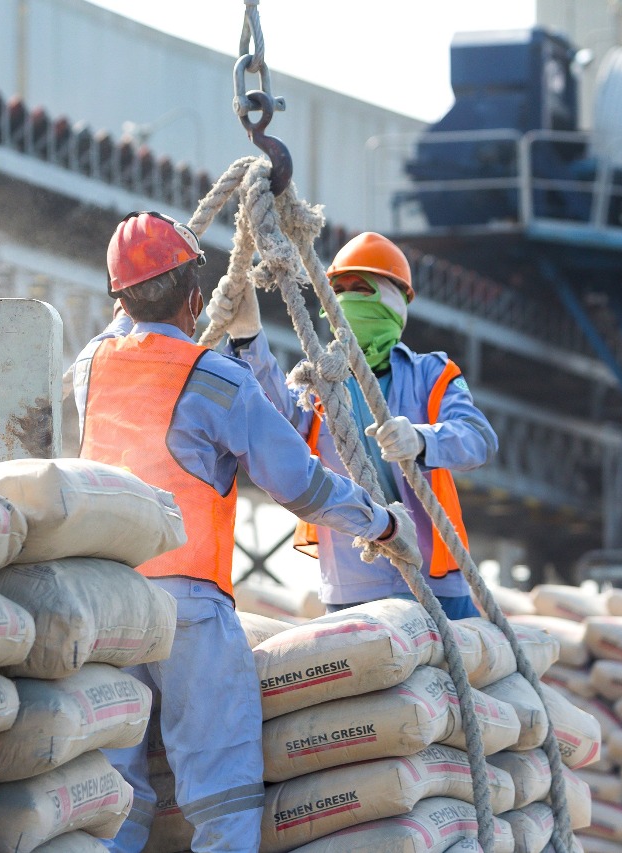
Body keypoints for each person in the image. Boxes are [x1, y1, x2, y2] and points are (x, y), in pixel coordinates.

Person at [72, 212, 420, 853]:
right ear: (195, 297)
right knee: (222, 794)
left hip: (107, 607)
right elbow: (301, 486)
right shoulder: (215, 379)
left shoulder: (90, 368)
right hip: (189, 613)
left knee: (114, 802)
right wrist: (381, 520)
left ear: (118, 297)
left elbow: (129, 333)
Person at [224, 232, 498, 621]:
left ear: (395, 300)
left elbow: (479, 438)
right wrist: (248, 337)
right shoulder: (321, 383)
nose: (349, 299)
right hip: (353, 582)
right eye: (340, 290)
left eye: (361, 289)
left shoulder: (433, 374)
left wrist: (422, 439)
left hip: (436, 578)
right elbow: (277, 415)